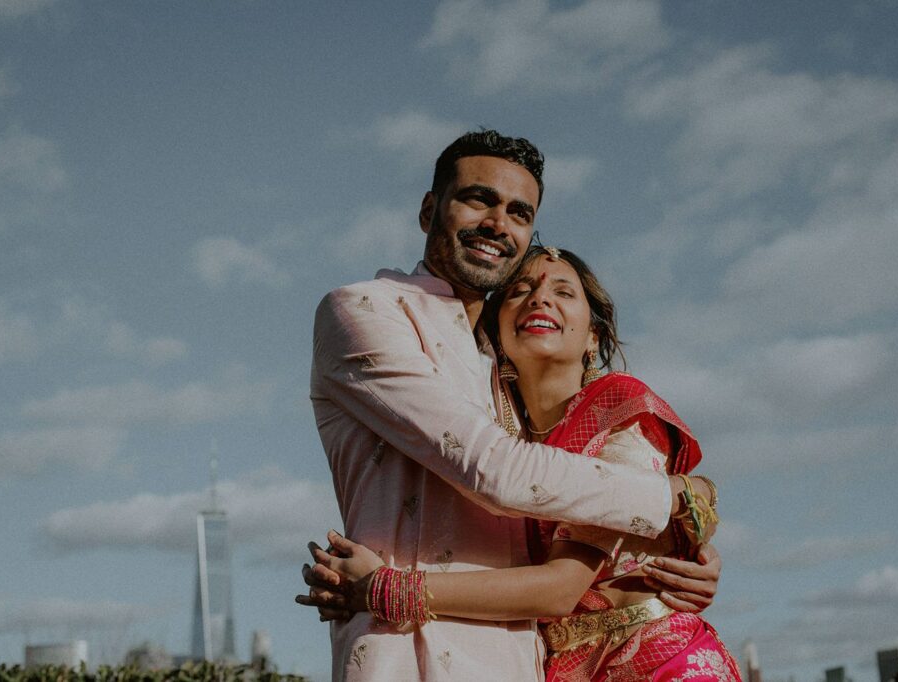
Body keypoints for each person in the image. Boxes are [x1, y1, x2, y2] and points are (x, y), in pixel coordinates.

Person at [305, 130, 721, 681]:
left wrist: (682, 548)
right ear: (430, 209)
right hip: (401, 652)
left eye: (519, 213)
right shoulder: (366, 310)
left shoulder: (505, 369)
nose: (499, 224)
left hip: (521, 663)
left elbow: (566, 538)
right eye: (479, 199)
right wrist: (674, 498)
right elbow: (492, 470)